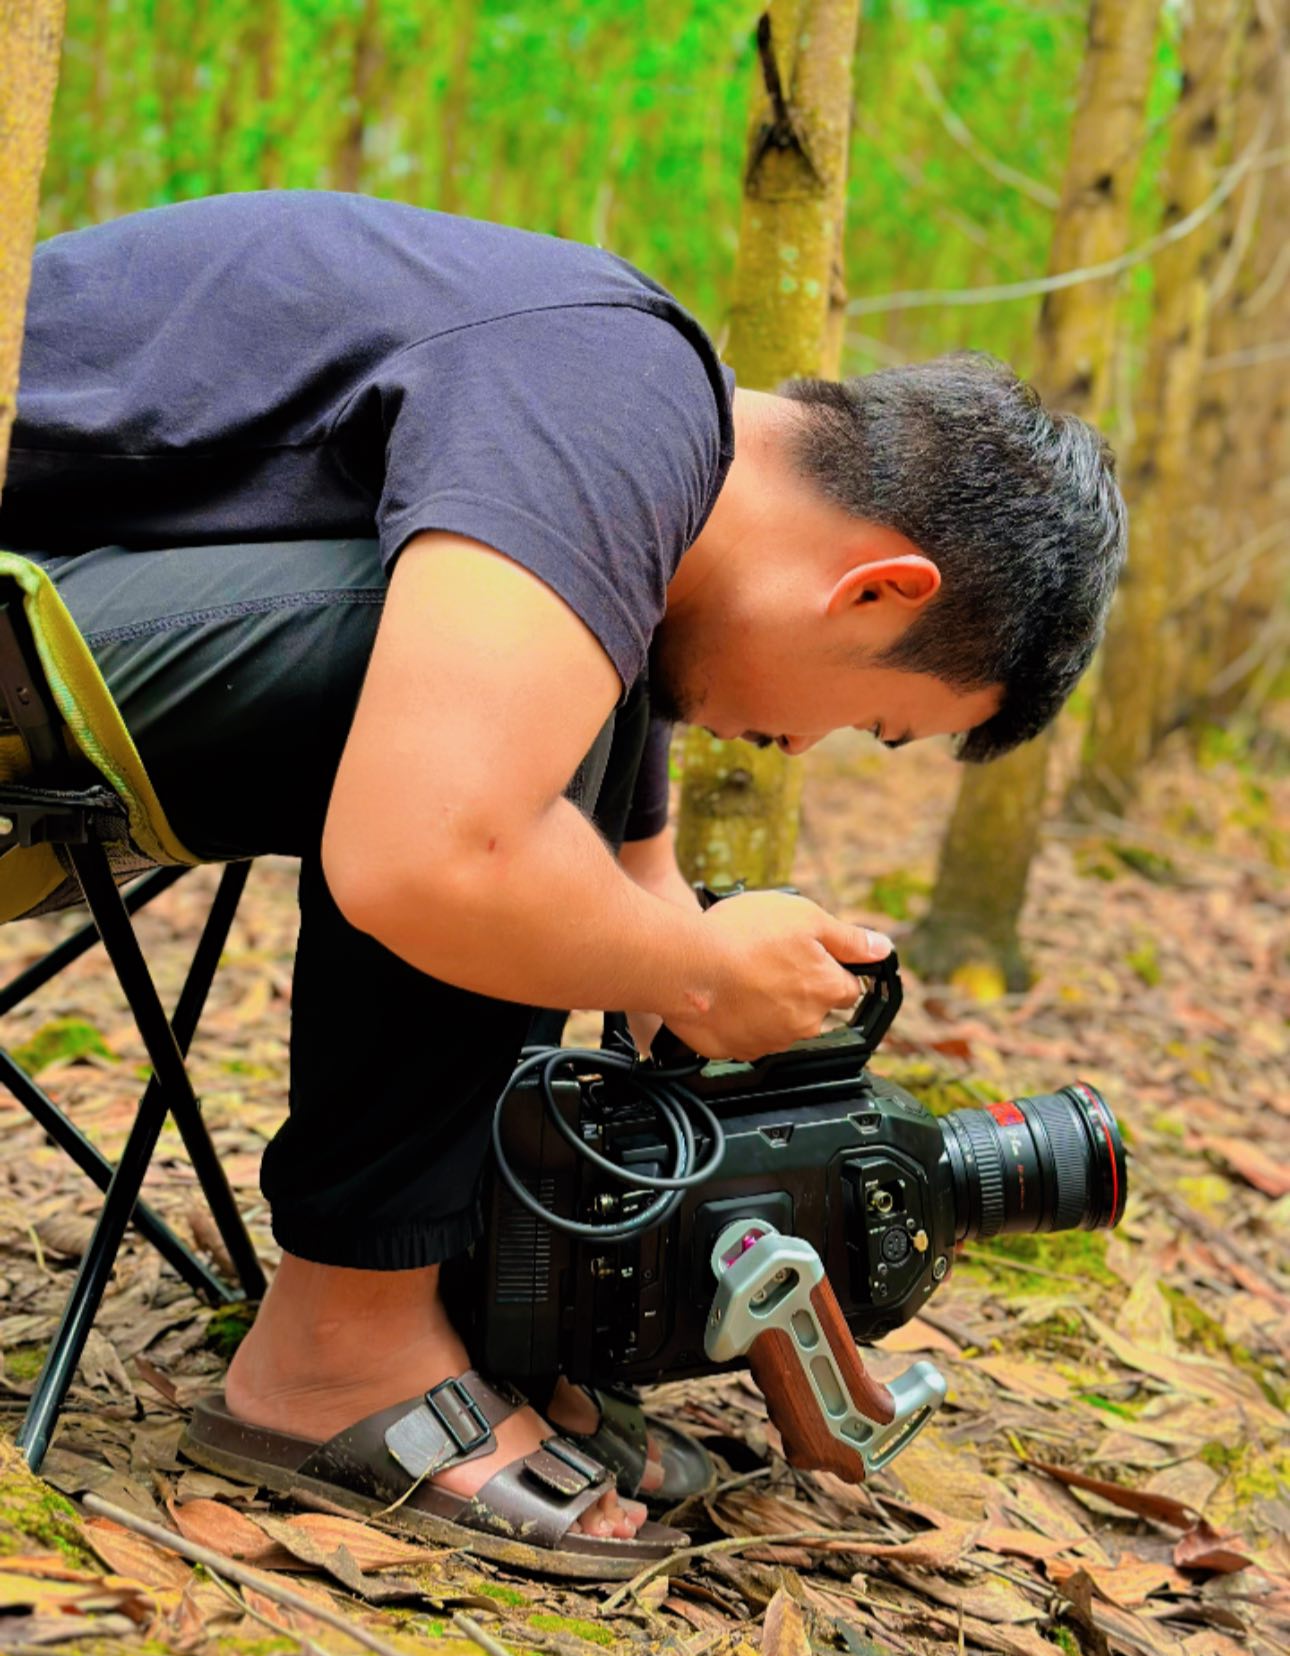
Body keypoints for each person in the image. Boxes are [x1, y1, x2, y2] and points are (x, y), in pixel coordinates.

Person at [3, 190, 1126, 1573]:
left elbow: (628, 893)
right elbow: (441, 856)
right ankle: (341, 1352)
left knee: (533, 721)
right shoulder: (612, 385)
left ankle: (469, 1326)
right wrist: (697, 968)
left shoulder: (630, 458)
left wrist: (724, 1049)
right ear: (877, 591)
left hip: (62, 615)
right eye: (869, 721)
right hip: (24, 629)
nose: (798, 748)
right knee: (490, 748)